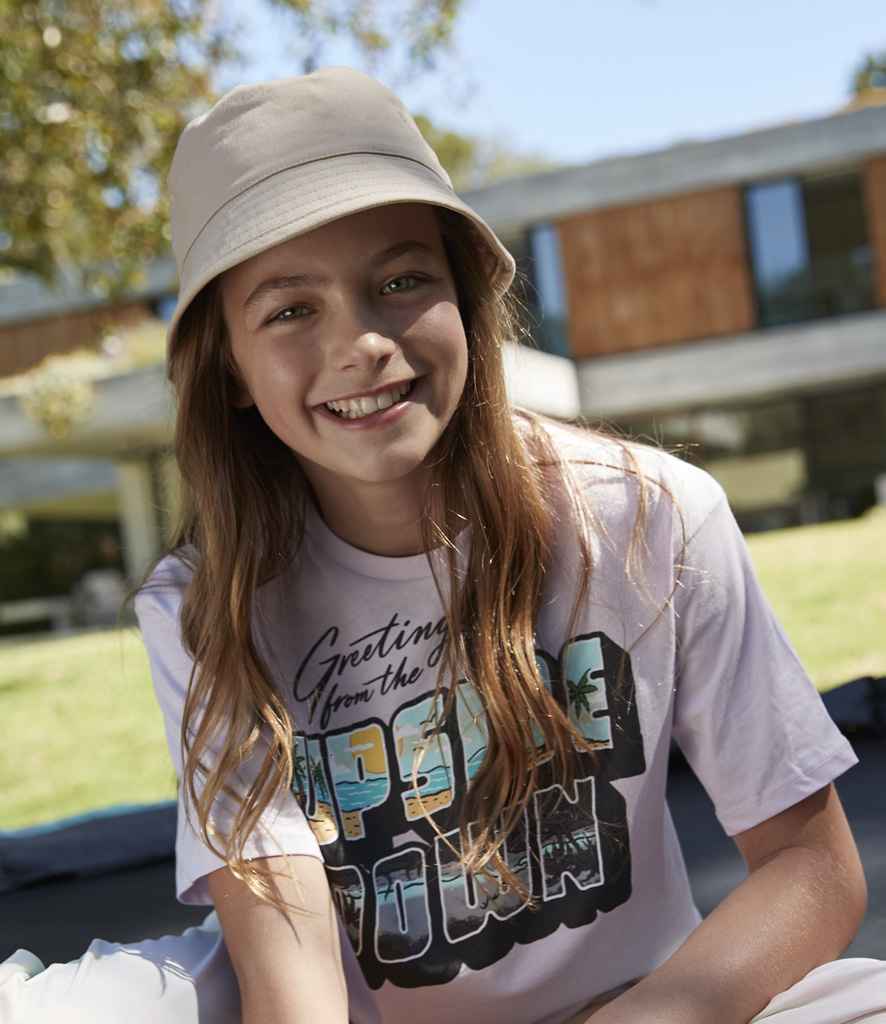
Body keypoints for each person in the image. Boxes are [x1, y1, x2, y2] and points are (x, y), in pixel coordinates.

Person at [2, 66, 885, 1024]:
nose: (363, 344)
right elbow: (291, 978)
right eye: (291, 309)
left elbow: (811, 868)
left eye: (400, 281)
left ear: (465, 299)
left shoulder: (651, 513)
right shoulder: (201, 604)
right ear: (231, 371)